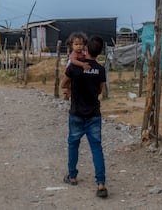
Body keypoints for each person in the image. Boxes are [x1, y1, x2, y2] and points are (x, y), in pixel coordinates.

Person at [61, 33, 108, 198]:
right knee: (96, 148)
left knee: (73, 144)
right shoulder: (101, 69)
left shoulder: (74, 67)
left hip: (76, 114)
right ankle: (101, 184)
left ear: (86, 48)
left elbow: (62, 84)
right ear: (100, 52)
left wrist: (72, 86)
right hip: (94, 114)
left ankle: (72, 176)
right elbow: (100, 90)